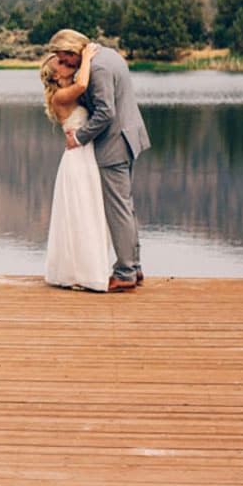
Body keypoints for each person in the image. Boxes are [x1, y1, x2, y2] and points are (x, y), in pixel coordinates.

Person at [48, 28, 151, 291]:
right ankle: (134, 266)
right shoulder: (106, 56)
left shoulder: (98, 68)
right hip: (128, 137)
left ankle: (125, 271)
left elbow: (105, 112)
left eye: (63, 58)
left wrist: (79, 137)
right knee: (125, 206)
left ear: (73, 52)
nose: (63, 64)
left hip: (114, 144)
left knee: (117, 208)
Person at [40, 45, 112, 292]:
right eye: (58, 63)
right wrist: (88, 57)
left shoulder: (71, 93)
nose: (63, 62)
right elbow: (82, 85)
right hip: (77, 159)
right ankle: (80, 273)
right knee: (80, 212)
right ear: (57, 76)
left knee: (89, 210)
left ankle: (88, 269)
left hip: (84, 154)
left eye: (63, 59)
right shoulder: (60, 97)